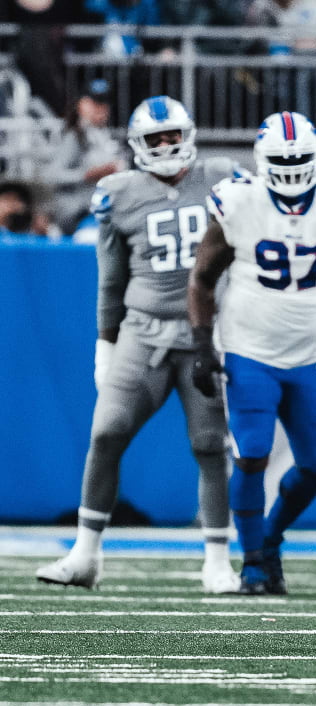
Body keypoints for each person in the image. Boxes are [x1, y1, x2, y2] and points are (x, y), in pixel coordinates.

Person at [35, 97, 241, 593]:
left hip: (203, 336)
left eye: (175, 135)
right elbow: (111, 281)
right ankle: (85, 555)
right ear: (138, 146)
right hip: (142, 332)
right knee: (106, 434)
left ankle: (217, 560)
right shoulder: (118, 193)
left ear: (189, 134)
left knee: (211, 446)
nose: (168, 145)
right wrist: (105, 344)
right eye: (157, 138)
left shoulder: (222, 177)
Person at [187, 111, 316, 594]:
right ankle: (254, 560)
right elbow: (201, 278)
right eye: (283, 159)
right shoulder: (239, 201)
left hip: (312, 352)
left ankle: (271, 536)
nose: (293, 167)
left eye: (300, 159)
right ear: (262, 161)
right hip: (249, 348)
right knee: (252, 454)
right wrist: (202, 344)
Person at [50, 79, 124, 234]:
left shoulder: (106, 136)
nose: (101, 108)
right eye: (95, 102)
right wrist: (86, 175)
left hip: (105, 208)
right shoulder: (74, 136)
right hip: (78, 212)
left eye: (104, 103)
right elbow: (53, 175)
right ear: (82, 104)